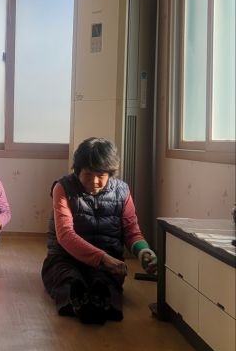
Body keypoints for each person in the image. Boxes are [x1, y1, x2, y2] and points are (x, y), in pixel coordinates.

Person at [41, 137, 157, 325]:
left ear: (110, 173)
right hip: (65, 257)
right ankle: (81, 304)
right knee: (68, 279)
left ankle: (97, 303)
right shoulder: (62, 188)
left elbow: (132, 231)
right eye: (88, 174)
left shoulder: (122, 191)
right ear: (77, 170)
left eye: (101, 175)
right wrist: (102, 258)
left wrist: (143, 250)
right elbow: (65, 235)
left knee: (105, 281)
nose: (94, 181)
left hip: (109, 260)